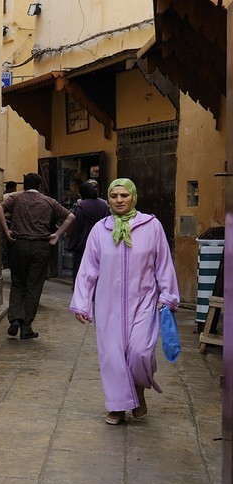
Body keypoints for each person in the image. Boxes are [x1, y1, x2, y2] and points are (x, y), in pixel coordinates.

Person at [69, 177, 180, 426]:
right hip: (108, 304)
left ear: (133, 197)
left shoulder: (151, 226)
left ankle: (138, 389)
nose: (119, 200)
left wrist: (167, 296)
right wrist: (83, 302)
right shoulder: (100, 229)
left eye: (124, 195)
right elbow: (88, 268)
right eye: (114, 196)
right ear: (108, 200)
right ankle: (118, 407)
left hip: (144, 301)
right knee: (113, 356)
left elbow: (163, 263)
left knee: (141, 351)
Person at [0, 173, 75, 340]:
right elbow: (70, 216)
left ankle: (15, 319)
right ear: (39, 186)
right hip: (40, 247)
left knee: (18, 283)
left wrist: (6, 229)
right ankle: (26, 326)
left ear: (24, 184)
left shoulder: (16, 198)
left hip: (19, 244)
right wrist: (57, 234)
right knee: (34, 285)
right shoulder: (49, 201)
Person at [65, 180, 109, 280]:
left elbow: (76, 228)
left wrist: (72, 244)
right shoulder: (104, 205)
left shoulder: (80, 207)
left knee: (81, 271)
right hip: (101, 244)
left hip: (83, 244)